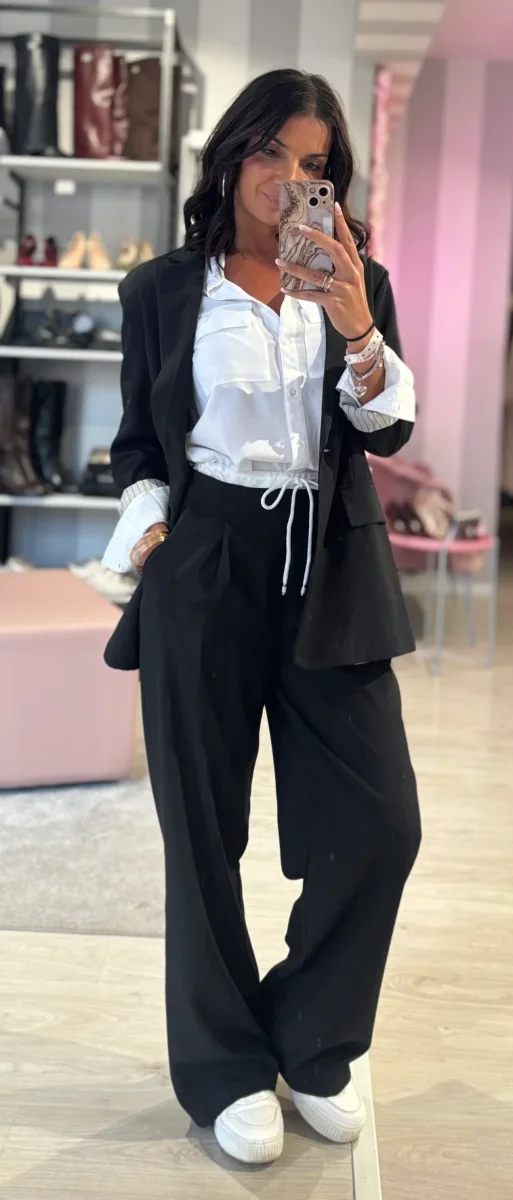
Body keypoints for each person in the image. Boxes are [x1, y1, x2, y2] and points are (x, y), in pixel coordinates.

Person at [102, 68, 421, 1165]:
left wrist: (356, 321)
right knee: (202, 831)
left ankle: (311, 1038)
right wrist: (152, 528)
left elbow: (385, 432)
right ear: (233, 154)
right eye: (272, 152)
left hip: (331, 560)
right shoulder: (160, 291)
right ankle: (224, 1067)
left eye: (314, 163)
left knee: (381, 824)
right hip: (207, 562)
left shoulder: (356, 278)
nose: (289, 178)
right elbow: (138, 447)